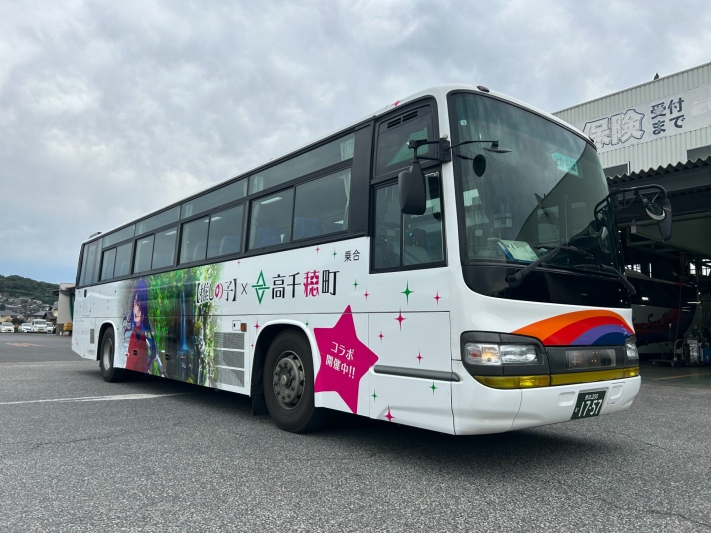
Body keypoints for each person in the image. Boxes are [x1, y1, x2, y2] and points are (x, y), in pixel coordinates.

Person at [124, 279, 166, 376]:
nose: (135, 307)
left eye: (139, 305)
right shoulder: (133, 333)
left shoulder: (146, 337)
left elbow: (151, 356)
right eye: (135, 301)